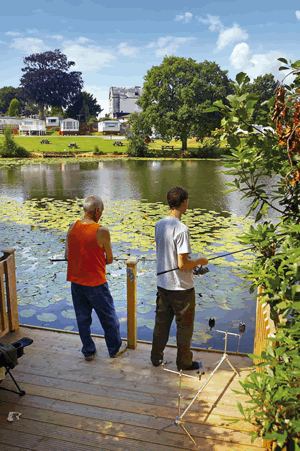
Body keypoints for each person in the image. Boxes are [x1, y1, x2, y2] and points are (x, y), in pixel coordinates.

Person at [151, 186, 208, 371]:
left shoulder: (159, 224)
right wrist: (199, 260)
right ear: (184, 203)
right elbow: (182, 264)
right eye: (187, 202)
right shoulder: (182, 229)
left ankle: (156, 358)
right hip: (181, 288)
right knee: (184, 328)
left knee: (161, 324)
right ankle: (184, 363)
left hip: (163, 285)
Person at [65, 195, 127, 361]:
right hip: (96, 283)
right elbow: (110, 259)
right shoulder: (102, 231)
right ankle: (114, 348)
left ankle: (88, 351)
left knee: (82, 318)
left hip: (76, 281)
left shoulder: (72, 227)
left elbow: (66, 256)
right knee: (108, 317)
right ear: (97, 211)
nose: (102, 215)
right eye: (102, 211)